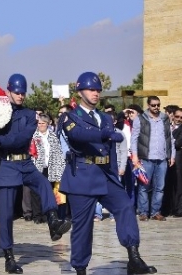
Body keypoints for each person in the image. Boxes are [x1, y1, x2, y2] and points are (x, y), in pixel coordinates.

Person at [59, 71, 156, 275]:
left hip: (105, 174)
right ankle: (80, 268)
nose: (96, 93)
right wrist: (103, 133)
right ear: (80, 91)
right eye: (91, 89)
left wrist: (115, 174)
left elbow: (111, 148)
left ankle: (134, 257)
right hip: (82, 175)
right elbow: (77, 135)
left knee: (125, 206)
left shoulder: (104, 117)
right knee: (83, 227)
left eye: (98, 90)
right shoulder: (70, 116)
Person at [0, 74, 71, 274]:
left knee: (43, 183)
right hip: (6, 165)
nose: (20, 96)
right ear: (9, 91)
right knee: (6, 214)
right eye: (17, 92)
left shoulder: (28, 115)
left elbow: (20, 139)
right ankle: (9, 256)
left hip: (24, 161)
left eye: (23, 93)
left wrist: (0, 140)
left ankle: (52, 221)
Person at [130, 96, 175, 221]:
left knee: (160, 187)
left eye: (158, 105)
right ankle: (143, 212)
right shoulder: (141, 119)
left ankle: (156, 212)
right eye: (153, 105)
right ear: (148, 105)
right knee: (144, 186)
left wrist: (172, 155)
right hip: (146, 158)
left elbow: (170, 138)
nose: (156, 107)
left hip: (162, 159)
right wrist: (135, 156)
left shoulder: (165, 119)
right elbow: (134, 138)